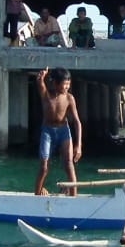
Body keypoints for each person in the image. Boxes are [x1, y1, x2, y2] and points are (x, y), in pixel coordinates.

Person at [34, 67, 82, 196]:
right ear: (55, 83)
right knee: (44, 167)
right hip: (47, 132)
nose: (67, 87)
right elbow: (40, 83)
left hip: (64, 131)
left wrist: (79, 145)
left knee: (69, 165)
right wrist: (41, 76)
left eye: (68, 84)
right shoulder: (46, 95)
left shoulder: (69, 98)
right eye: (64, 84)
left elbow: (77, 122)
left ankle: (73, 196)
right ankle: (37, 194)